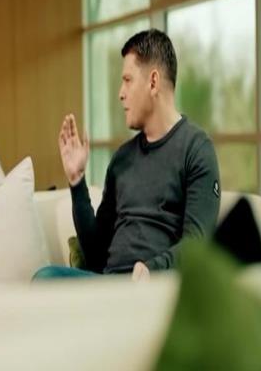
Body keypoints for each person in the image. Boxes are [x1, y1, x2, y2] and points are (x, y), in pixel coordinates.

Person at [35, 29, 220, 281]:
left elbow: (197, 245)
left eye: (127, 80)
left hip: (155, 288)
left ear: (153, 82)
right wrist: (77, 181)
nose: (120, 93)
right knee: (45, 278)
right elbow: (95, 256)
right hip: (109, 286)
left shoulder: (196, 149)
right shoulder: (121, 159)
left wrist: (152, 269)